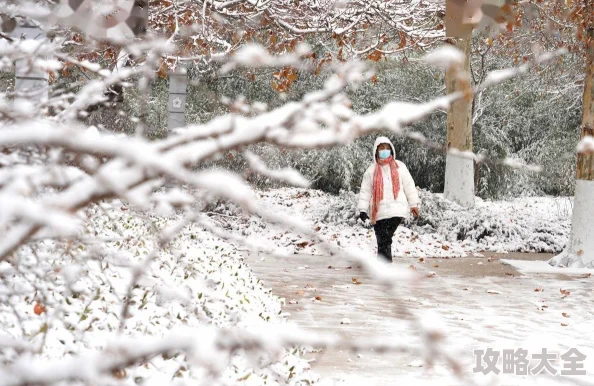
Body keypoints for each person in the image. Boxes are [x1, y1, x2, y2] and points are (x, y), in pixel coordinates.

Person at [357, 136, 420, 262]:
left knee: (384, 239)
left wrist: (414, 204)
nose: (385, 151)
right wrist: (362, 210)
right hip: (378, 213)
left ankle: (384, 268)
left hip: (397, 210)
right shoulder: (370, 171)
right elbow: (365, 191)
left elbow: (409, 186)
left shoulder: (400, 167)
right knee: (383, 241)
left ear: (392, 150)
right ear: (376, 151)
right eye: (381, 148)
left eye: (387, 148)